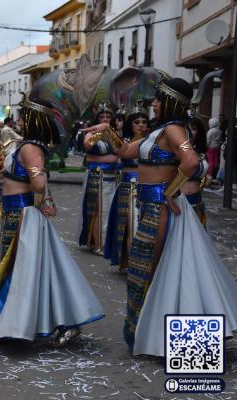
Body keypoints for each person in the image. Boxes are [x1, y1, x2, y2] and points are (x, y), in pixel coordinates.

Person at [85, 77, 237, 357]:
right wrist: (107, 131)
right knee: (152, 273)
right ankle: (155, 336)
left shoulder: (175, 130)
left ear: (169, 102)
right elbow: (127, 151)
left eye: (157, 99)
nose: (153, 104)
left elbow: (192, 162)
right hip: (151, 207)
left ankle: (165, 339)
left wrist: (171, 191)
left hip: (161, 209)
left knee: (153, 272)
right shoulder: (161, 131)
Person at [0, 94, 104, 344]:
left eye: (26, 116)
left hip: (23, 215)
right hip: (18, 213)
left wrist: (42, 196)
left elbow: (38, 183)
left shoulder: (31, 148)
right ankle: (26, 320)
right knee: (33, 269)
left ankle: (14, 321)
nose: (22, 120)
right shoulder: (26, 144)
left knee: (18, 269)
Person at [103, 100, 148, 271]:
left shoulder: (153, 141)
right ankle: (128, 261)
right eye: (137, 122)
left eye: (144, 121)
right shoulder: (125, 142)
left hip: (146, 187)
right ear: (131, 124)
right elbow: (119, 155)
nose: (141, 125)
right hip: (127, 187)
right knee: (129, 224)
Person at [77, 101, 119, 256]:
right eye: (102, 117)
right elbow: (88, 147)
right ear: (97, 119)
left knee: (109, 210)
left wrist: (101, 157)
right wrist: (100, 133)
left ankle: (105, 242)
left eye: (108, 116)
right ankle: (97, 244)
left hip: (113, 178)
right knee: (96, 210)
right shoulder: (91, 134)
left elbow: (120, 155)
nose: (105, 119)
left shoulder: (115, 134)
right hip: (96, 177)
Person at [182, 113, 208, 226]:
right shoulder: (176, 152)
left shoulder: (202, 153)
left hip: (197, 202)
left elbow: (203, 178)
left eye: (194, 129)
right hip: (179, 202)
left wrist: (200, 187)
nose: (190, 132)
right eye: (187, 128)